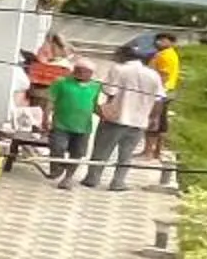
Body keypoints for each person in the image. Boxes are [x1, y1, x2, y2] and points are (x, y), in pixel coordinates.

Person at [86, 48, 166, 191]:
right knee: (126, 155)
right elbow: (159, 99)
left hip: (116, 118)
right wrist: (154, 118)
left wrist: (102, 109)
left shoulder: (119, 69)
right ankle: (118, 182)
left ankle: (92, 179)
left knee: (102, 151)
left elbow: (110, 91)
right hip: (139, 121)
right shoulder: (153, 75)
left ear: (124, 57)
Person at [45, 61, 99, 190]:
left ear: (91, 74)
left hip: (83, 126)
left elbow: (95, 105)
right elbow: (51, 101)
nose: (81, 72)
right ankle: (57, 167)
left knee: (78, 153)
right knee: (58, 147)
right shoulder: (61, 82)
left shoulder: (96, 86)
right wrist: (45, 117)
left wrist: (106, 115)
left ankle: (68, 178)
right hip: (61, 123)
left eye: (85, 71)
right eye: (78, 69)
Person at [144, 31, 182, 160]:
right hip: (167, 91)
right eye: (157, 40)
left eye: (162, 40)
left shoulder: (165, 56)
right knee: (161, 122)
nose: (158, 42)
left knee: (154, 121)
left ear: (171, 42)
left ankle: (148, 152)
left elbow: (163, 75)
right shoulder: (170, 54)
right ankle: (156, 152)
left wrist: (154, 90)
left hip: (160, 92)